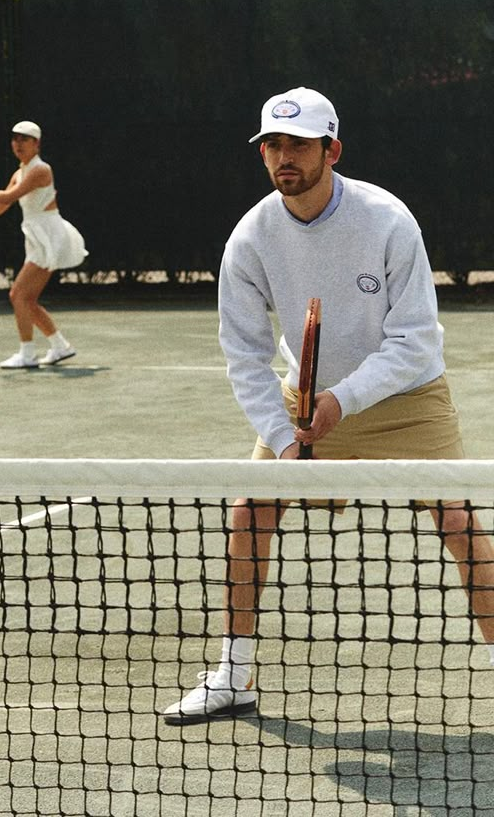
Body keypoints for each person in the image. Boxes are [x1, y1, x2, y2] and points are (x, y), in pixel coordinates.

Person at [163, 86, 494, 724]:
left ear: (331, 150)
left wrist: (344, 400)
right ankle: (233, 676)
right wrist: (285, 437)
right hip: (305, 398)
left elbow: (416, 339)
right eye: (272, 146)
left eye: (298, 145)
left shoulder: (388, 220)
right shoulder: (250, 238)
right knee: (249, 513)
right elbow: (245, 354)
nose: (283, 157)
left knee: (458, 522)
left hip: (409, 397)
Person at [0, 120, 87, 368]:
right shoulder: (19, 173)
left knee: (18, 295)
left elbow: (7, 197)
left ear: (36, 144)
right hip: (38, 235)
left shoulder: (41, 170)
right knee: (28, 299)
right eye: (15, 139)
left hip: (49, 234)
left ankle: (27, 354)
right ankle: (60, 347)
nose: (18, 144)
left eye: (24, 139)